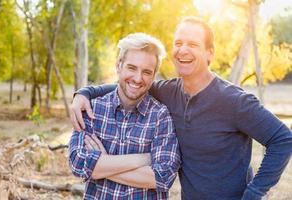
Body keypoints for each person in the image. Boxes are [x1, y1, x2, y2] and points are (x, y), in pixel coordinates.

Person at [71, 17, 292, 200]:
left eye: (193, 44)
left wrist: (253, 193)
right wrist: (85, 93)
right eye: (178, 43)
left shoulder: (234, 101)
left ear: (210, 53)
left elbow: (282, 139)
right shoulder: (168, 92)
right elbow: (132, 84)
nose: (183, 50)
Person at [68, 32, 181, 200]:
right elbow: (78, 163)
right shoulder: (93, 109)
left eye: (146, 72)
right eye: (132, 67)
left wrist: (103, 163)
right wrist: (142, 159)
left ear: (154, 75)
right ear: (118, 66)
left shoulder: (160, 116)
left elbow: (162, 177)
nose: (137, 78)